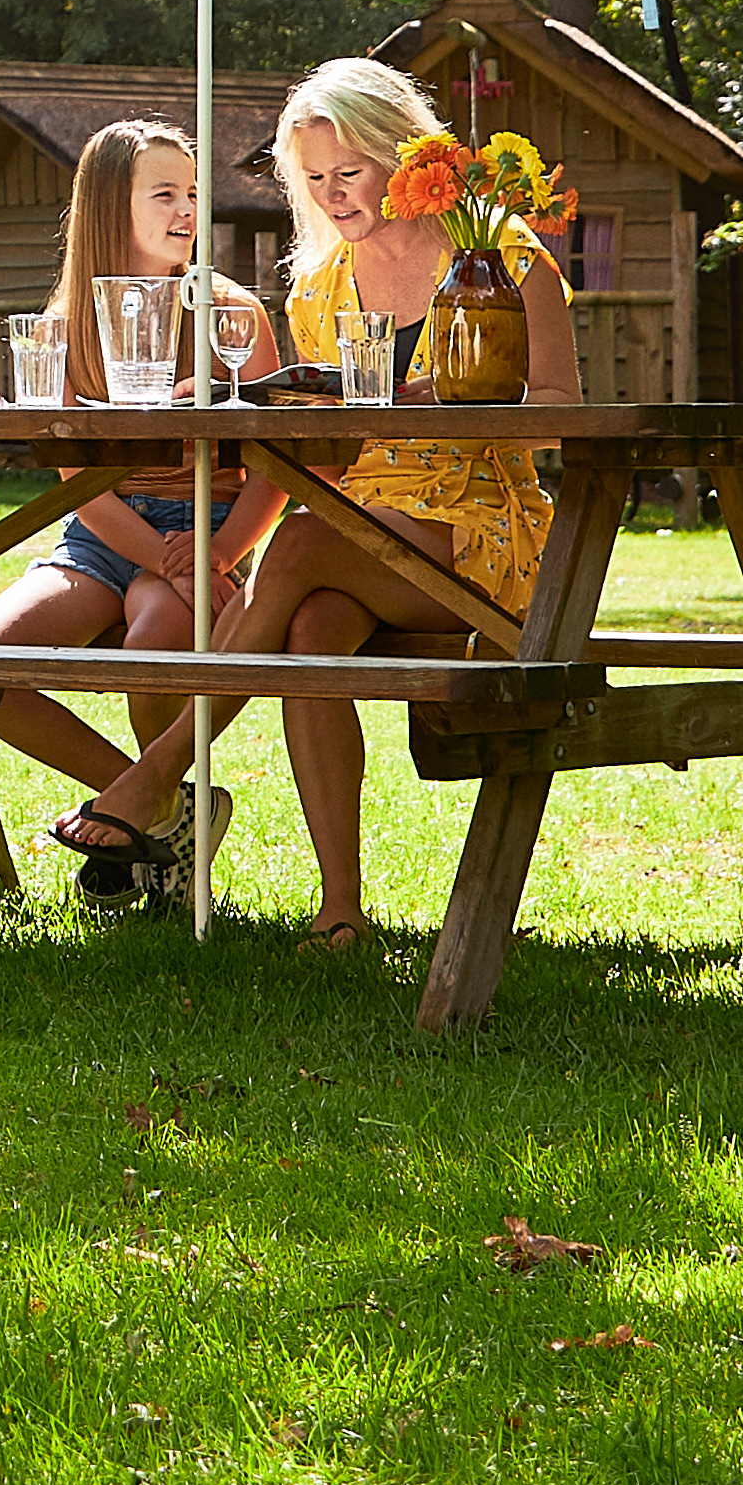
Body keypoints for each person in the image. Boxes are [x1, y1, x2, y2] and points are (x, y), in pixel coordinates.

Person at [222, 58, 572, 942]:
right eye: (313, 181)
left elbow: (562, 420)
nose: (333, 197)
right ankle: (341, 910)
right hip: (364, 526)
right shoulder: (317, 288)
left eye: (350, 173)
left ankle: (153, 782)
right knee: (309, 631)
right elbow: (338, 459)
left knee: (298, 548)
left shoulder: (502, 260)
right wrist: (301, 415)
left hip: (482, 528)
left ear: (398, 157)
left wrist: (459, 403)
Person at [0, 121, 285, 905]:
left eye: (191, 194)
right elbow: (76, 476)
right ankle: (160, 802)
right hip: (102, 537)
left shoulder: (229, 313)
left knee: (158, 635)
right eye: (164, 194)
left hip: (210, 533)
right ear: (111, 204)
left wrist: (211, 556)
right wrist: (152, 553)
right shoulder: (62, 324)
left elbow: (282, 460)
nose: (186, 210)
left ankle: (150, 832)